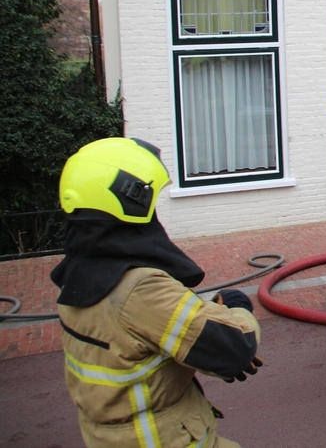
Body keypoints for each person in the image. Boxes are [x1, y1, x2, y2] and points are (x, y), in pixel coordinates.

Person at [52, 137, 262, 448]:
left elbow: (145, 331)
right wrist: (236, 307)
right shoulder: (140, 289)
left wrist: (202, 312)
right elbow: (235, 348)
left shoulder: (79, 273)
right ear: (129, 200)